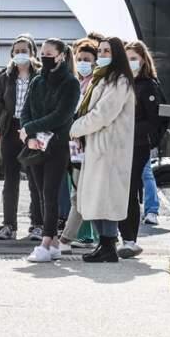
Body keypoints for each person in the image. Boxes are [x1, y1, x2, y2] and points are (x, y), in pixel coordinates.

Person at [69, 36, 135, 263]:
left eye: (107, 51)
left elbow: (102, 114)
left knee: (106, 198)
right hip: (98, 146)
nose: (102, 56)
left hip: (110, 149)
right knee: (94, 198)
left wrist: (75, 128)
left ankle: (108, 245)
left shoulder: (119, 81)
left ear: (116, 54)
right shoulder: (103, 78)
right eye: (101, 51)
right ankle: (104, 244)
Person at [21, 39, 81, 262]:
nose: (44, 57)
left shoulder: (70, 83)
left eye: (49, 53)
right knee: (39, 192)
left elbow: (61, 115)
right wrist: (30, 137)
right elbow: (26, 110)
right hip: (36, 145)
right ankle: (54, 241)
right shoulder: (37, 81)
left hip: (57, 146)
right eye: (42, 53)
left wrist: (29, 128)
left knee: (50, 193)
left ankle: (46, 242)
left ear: (61, 56)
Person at [117, 40, 166, 259]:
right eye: (126, 59)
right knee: (120, 191)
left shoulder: (148, 85)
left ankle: (130, 239)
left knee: (129, 191)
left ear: (143, 60)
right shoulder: (120, 82)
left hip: (137, 145)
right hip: (117, 144)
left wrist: (130, 130)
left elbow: (155, 120)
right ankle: (122, 236)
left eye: (134, 58)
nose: (130, 63)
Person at [0, 36, 42, 240]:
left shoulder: (39, 76)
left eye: (25, 51)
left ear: (32, 53)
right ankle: (8, 224)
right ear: (12, 54)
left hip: (31, 129)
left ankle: (38, 223)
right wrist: (3, 108)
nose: (20, 54)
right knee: (10, 179)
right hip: (11, 128)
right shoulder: (6, 77)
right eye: (17, 51)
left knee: (35, 179)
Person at [59, 39, 101, 252]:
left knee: (81, 193)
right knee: (76, 191)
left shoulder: (95, 84)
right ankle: (86, 235)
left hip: (87, 144)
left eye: (87, 60)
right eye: (79, 59)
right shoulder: (76, 81)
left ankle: (79, 236)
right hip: (74, 145)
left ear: (95, 62)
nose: (83, 63)